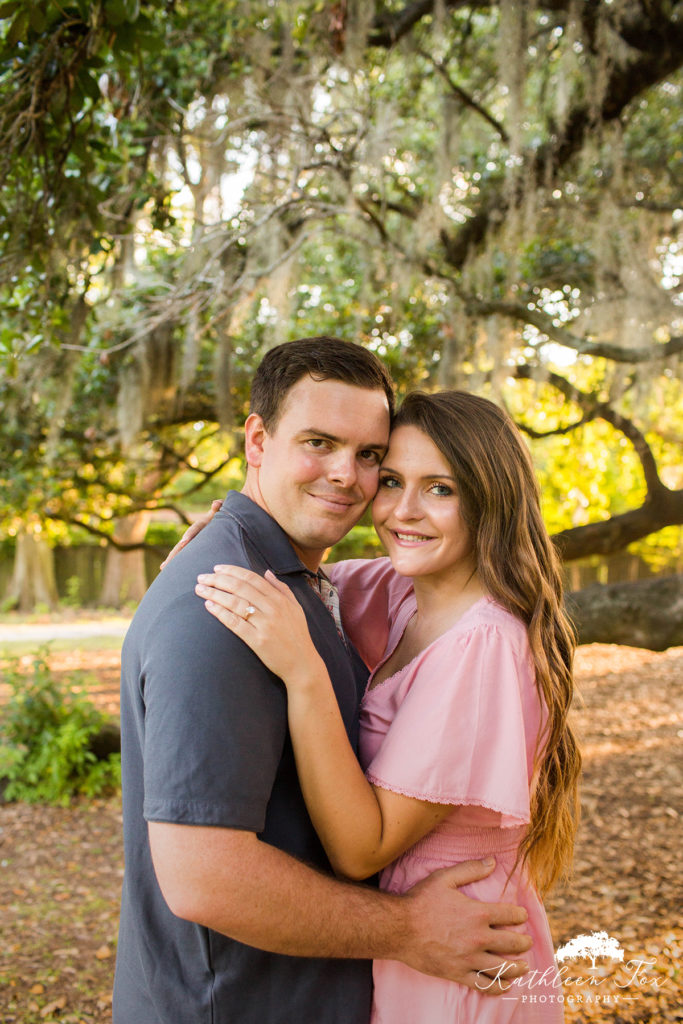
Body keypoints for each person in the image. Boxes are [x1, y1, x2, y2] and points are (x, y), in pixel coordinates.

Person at [113, 339, 532, 1024]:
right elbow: (201, 878)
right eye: (318, 442)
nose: (347, 476)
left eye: (370, 456)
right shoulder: (225, 608)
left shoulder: (309, 588)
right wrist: (406, 930)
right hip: (232, 1006)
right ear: (256, 438)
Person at [195, 389, 581, 1023]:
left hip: (457, 944)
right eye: (393, 480)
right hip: (404, 935)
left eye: (441, 489)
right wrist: (229, 534)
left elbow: (361, 847)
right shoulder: (403, 591)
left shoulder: (483, 646)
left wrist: (306, 675)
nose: (403, 511)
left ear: (492, 501)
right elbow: (295, 571)